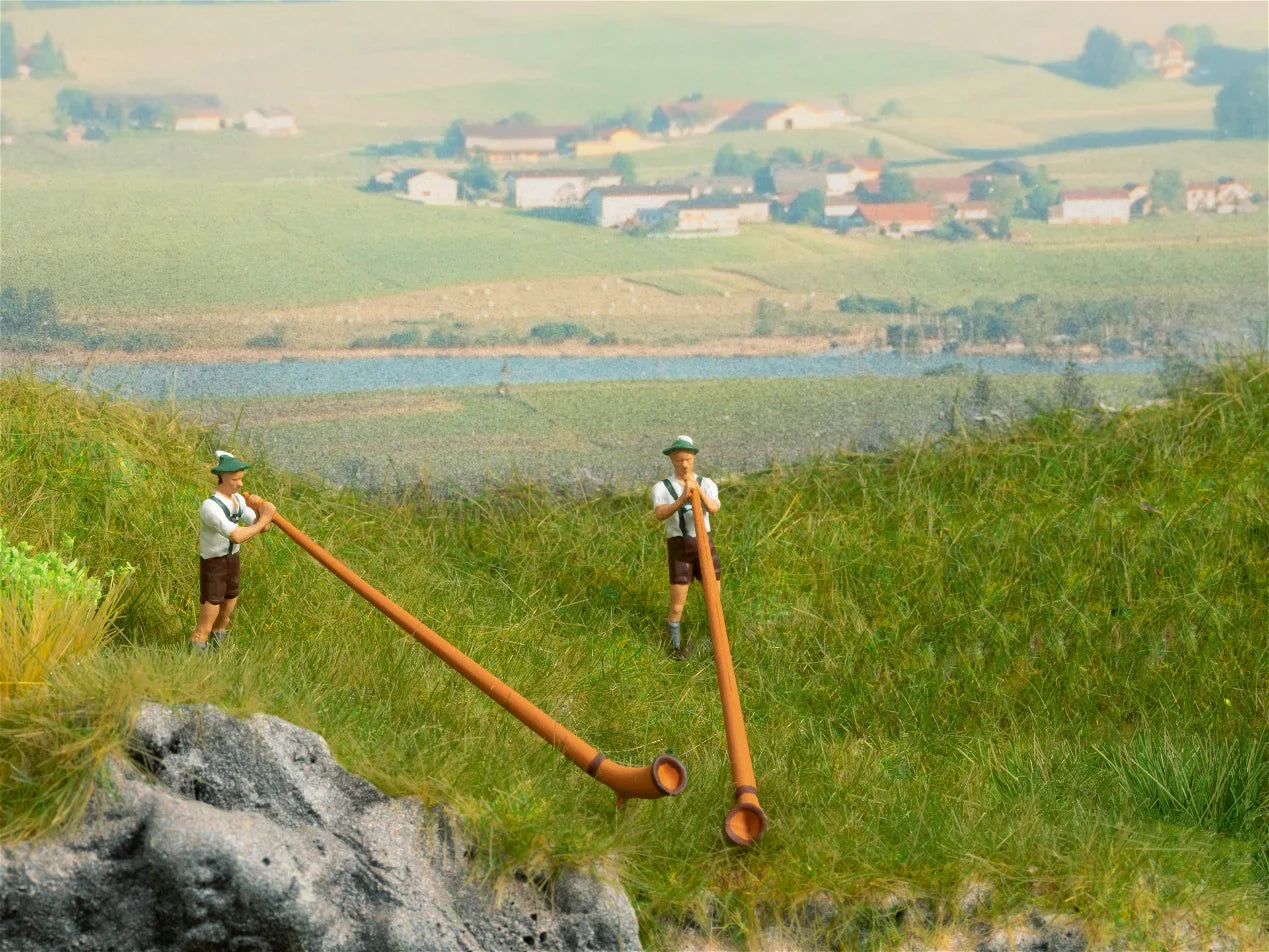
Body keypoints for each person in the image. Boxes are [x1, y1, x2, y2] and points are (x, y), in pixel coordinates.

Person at [192, 450, 275, 654]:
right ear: (222, 478)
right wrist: (265, 517)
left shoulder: (237, 499)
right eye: (235, 480)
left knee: (225, 615)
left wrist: (260, 510)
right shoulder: (210, 507)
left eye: (241, 479)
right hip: (214, 564)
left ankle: (216, 655)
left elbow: (260, 527)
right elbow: (237, 535)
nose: (240, 485)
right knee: (207, 619)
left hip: (232, 561)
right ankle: (196, 657)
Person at [651, 435, 720, 660]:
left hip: (705, 547)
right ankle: (675, 647)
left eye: (688, 459)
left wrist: (696, 491)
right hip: (680, 548)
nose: (684, 464)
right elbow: (660, 514)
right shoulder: (662, 487)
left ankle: (716, 641)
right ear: (672, 459)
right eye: (680, 460)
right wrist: (682, 499)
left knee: (713, 599)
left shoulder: (707, 484)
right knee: (677, 604)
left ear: (694, 458)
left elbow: (714, 508)